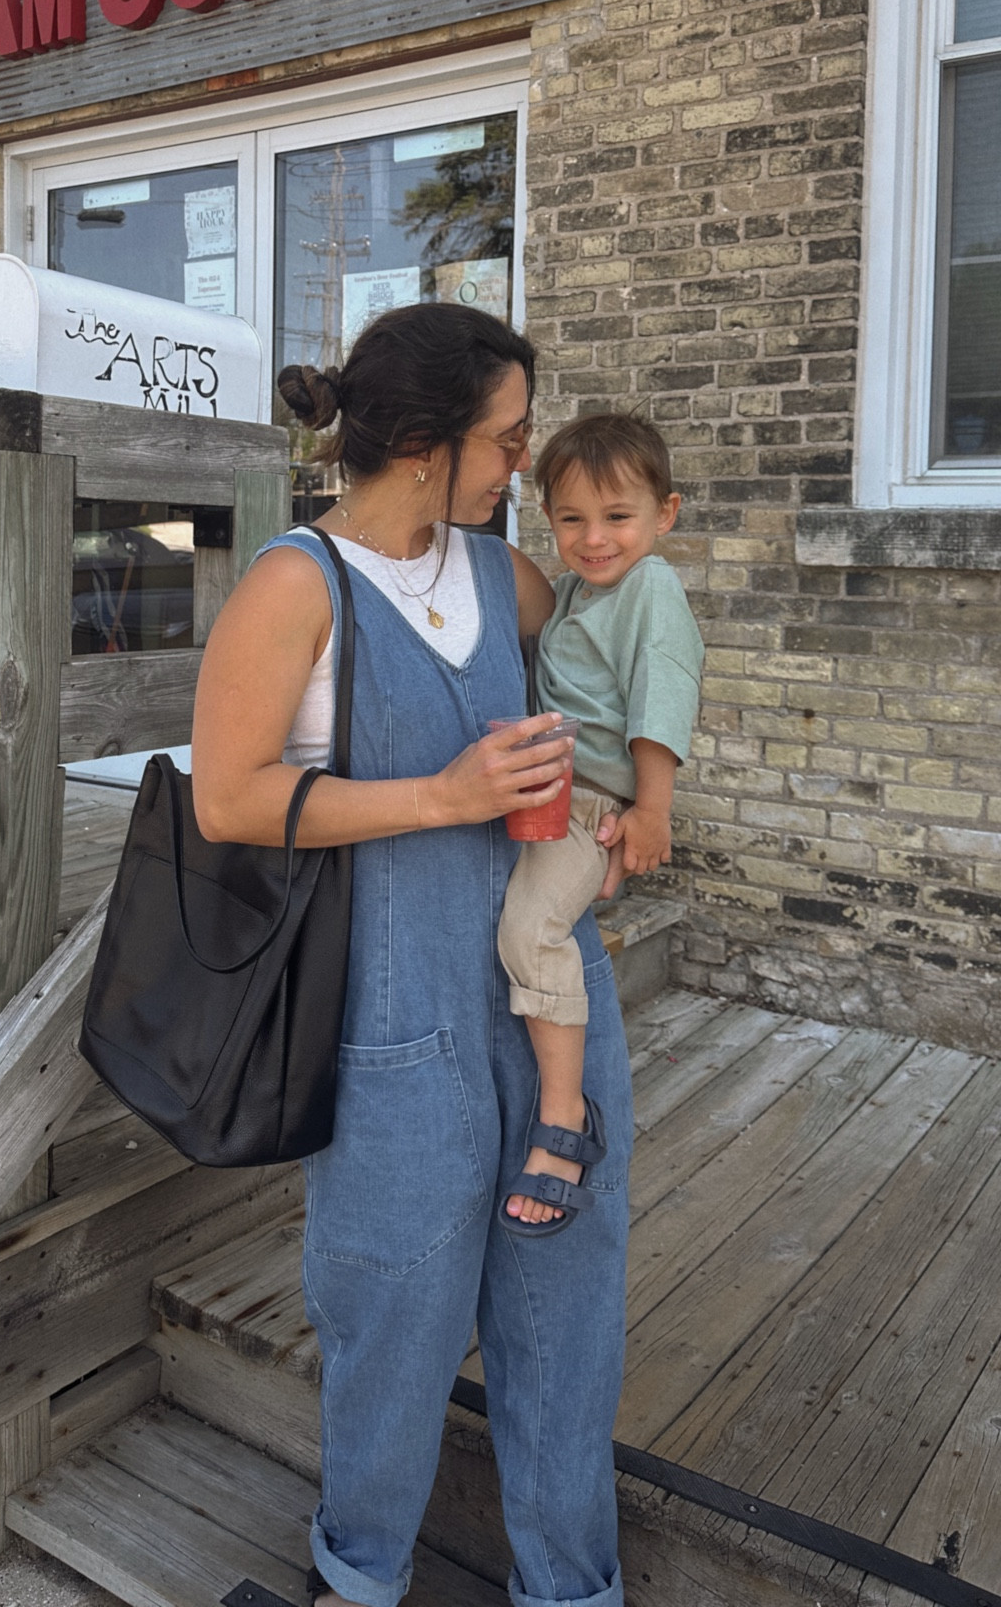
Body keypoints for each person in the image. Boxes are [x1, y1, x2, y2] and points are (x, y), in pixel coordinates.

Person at [192, 303, 632, 1607]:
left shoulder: (504, 577)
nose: (523, 464)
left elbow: (610, 645)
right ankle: (359, 1575)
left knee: (566, 1324)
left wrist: (624, 785)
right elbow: (226, 799)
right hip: (397, 1028)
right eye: (507, 438)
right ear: (429, 444)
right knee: (393, 1319)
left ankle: (573, 1589)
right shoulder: (294, 587)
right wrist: (442, 795)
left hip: (556, 1013)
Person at [497, 414, 703, 1231]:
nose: (594, 538)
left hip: (591, 804)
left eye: (618, 517)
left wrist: (652, 810)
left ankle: (561, 1120)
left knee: (532, 930)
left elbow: (664, 692)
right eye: (572, 519)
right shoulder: (583, 588)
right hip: (553, 788)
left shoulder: (650, 588)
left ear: (667, 513)